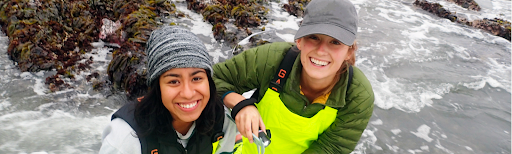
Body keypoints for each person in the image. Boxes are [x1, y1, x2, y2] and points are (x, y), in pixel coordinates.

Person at [213, 0, 374, 153]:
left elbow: (332, 148)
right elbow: (210, 79)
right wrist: (240, 104)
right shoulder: (272, 59)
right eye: (314, 37)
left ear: (349, 52)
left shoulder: (357, 95)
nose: (321, 51)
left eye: (336, 42)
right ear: (299, 41)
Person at [99, 26, 237, 154]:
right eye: (174, 81)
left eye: (196, 79)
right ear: (157, 87)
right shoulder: (125, 138)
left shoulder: (221, 120)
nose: (188, 94)